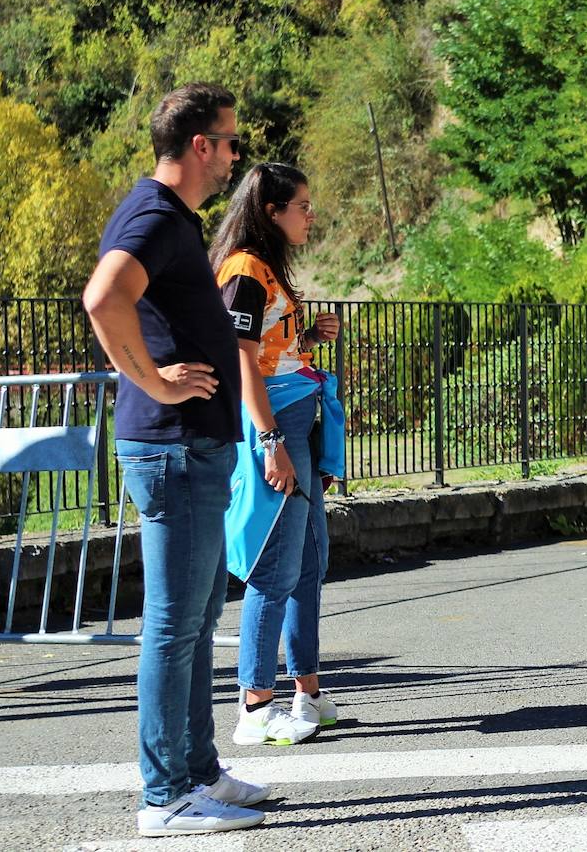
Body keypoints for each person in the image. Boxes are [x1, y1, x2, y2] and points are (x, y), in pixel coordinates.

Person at [83, 84, 270, 835]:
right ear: (199, 146)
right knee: (172, 623)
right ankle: (164, 797)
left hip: (189, 447)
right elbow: (104, 298)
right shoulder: (155, 216)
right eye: (229, 143)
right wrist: (152, 378)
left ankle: (198, 773)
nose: (233, 156)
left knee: (194, 621)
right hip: (172, 445)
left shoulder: (169, 219)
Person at [210, 163, 344, 746]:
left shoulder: (265, 270)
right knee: (276, 566)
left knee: (309, 562)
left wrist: (307, 338)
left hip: (293, 416)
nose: (311, 215)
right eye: (303, 206)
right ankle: (255, 704)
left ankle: (307, 694)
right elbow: (240, 359)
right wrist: (270, 443)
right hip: (274, 426)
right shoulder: (243, 270)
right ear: (271, 212)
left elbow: (266, 348)